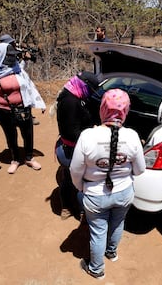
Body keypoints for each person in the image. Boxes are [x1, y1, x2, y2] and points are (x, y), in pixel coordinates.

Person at [70, 89, 146, 279]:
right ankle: (111, 253)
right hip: (124, 193)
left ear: (102, 109)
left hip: (95, 196)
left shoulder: (87, 136)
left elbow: (75, 171)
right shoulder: (133, 136)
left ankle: (96, 269)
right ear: (126, 111)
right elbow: (140, 170)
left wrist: (81, 187)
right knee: (118, 223)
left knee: (98, 232)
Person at [0, 42, 46, 174]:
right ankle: (15, 159)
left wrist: (39, 103)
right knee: (11, 135)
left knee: (28, 134)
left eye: (13, 56)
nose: (12, 58)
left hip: (23, 108)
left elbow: (29, 86)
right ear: (2, 56)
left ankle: (29, 157)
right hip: (3, 110)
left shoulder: (17, 68)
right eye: (9, 56)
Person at [55, 71, 99, 220]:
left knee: (73, 178)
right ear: (84, 85)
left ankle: (78, 209)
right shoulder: (70, 102)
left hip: (75, 147)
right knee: (78, 180)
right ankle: (73, 209)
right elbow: (71, 132)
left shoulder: (75, 95)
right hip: (72, 149)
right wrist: (93, 132)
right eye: (91, 89)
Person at [0, 34, 40, 125]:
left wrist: (24, 59)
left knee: (25, 95)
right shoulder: (2, 54)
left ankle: (28, 116)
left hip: (18, 77)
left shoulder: (16, 52)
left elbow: (19, 67)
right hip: (8, 79)